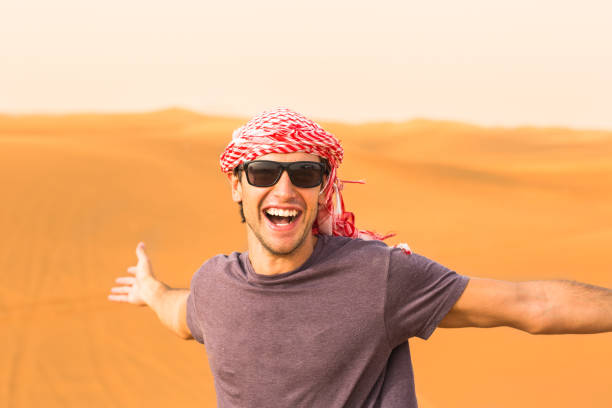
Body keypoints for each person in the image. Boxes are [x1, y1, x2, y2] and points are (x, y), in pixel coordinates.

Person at [109, 108, 612, 407]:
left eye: (304, 173)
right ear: (236, 187)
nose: (284, 189)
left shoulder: (378, 276)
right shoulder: (215, 285)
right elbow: (184, 314)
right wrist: (150, 291)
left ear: (324, 188)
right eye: (263, 173)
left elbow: (531, 304)